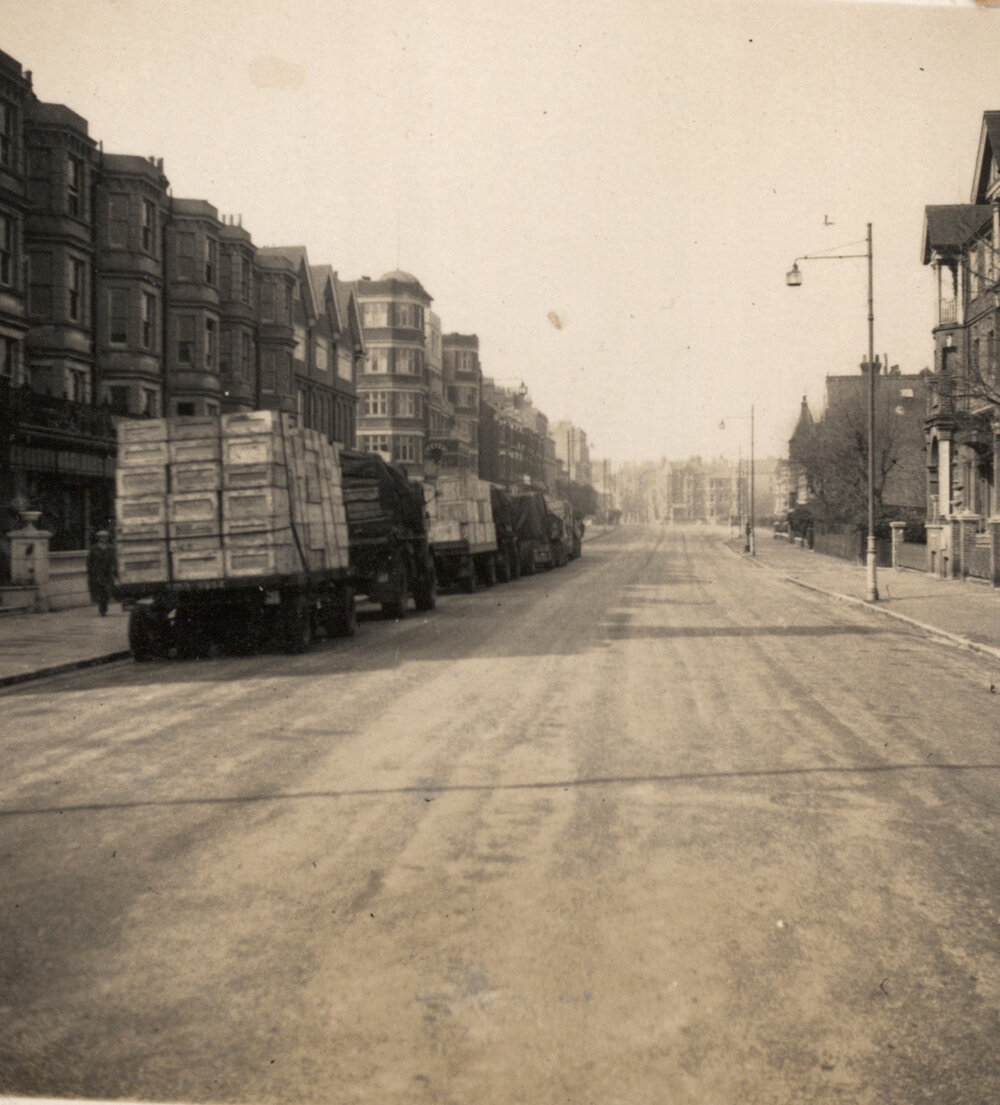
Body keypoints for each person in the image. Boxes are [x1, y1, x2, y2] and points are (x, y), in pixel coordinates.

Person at [86, 529, 116, 616]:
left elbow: (114, 560)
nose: (103, 539)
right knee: (99, 591)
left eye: (105, 537)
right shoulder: (93, 548)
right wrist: (90, 571)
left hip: (107, 573)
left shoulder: (111, 548)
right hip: (97, 573)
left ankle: (104, 608)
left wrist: (114, 571)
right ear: (98, 538)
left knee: (106, 592)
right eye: (101, 537)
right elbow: (89, 561)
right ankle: (101, 609)